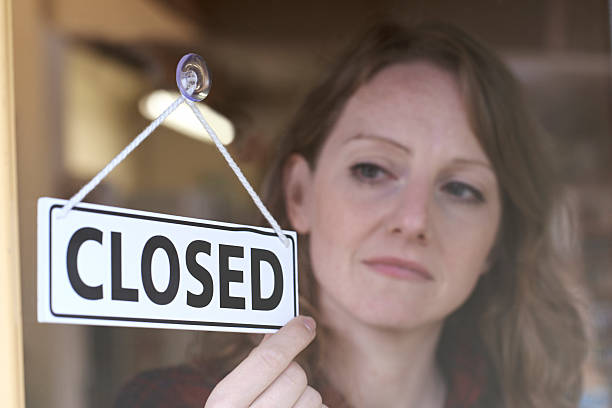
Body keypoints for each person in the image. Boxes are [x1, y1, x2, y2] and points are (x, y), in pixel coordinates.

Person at [115, 22, 587, 408]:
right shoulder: (171, 401)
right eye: (371, 170)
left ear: (497, 241)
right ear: (300, 195)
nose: (414, 219)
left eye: (461, 189)